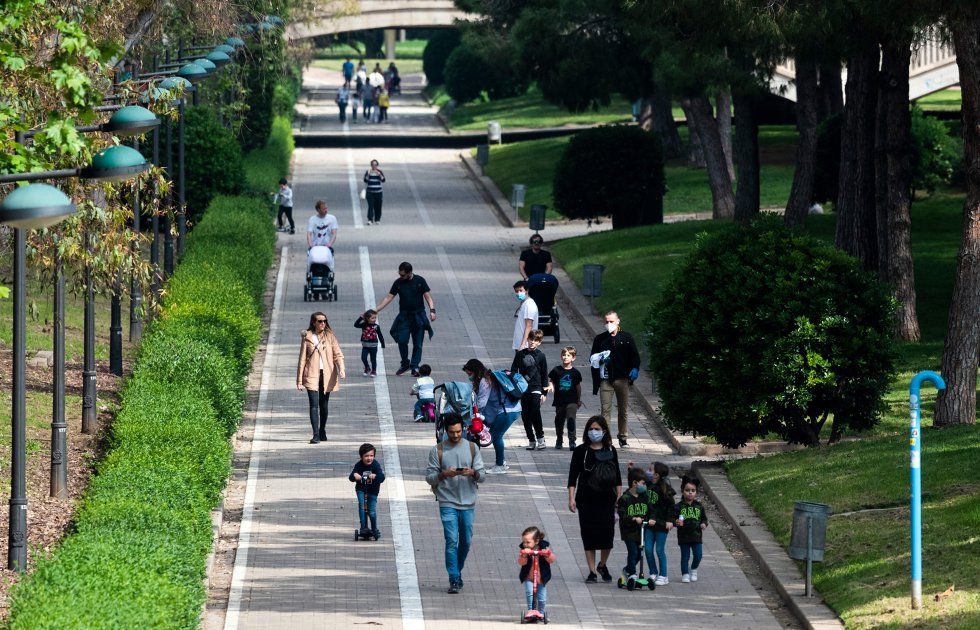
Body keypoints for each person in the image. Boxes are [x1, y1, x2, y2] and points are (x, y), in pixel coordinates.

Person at [425, 413, 485, 594]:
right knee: (451, 540)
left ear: (464, 429)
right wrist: (444, 474)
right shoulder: (438, 451)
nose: (456, 435)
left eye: (459, 432)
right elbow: (429, 478)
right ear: (445, 431)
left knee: (465, 541)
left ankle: (457, 570)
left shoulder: (473, 448)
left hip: (468, 502)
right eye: (452, 432)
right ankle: (454, 578)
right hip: (447, 501)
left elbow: (482, 477)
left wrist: (473, 473)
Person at [567, 415, 621, 583]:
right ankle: (592, 571)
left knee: (607, 536)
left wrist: (619, 497)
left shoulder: (611, 450)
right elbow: (572, 477)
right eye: (591, 429)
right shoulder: (581, 451)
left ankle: (602, 565)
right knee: (588, 535)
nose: (593, 432)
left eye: (597, 429)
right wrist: (571, 498)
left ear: (604, 431)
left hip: (607, 500)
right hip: (586, 500)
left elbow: (617, 477)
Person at [374, 262, 435, 377]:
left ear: (409, 273)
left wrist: (432, 310)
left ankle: (415, 366)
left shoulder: (420, 281)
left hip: (418, 316)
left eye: (402, 275)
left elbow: (428, 296)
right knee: (402, 340)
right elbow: (389, 297)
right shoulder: (398, 283)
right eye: (399, 274)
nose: (400, 277)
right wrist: (376, 310)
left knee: (418, 344)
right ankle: (405, 363)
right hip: (404, 317)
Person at [589, 311, 641, 447]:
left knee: (622, 409)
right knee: (605, 410)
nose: (609, 324)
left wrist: (635, 368)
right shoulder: (600, 339)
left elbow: (635, 356)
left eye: (611, 321)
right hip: (606, 379)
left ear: (618, 321)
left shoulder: (627, 337)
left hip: (622, 379)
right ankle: (606, 438)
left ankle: (623, 437)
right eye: (606, 322)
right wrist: (601, 359)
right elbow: (592, 358)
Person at [465, 358, 520, 474]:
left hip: (507, 411)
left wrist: (472, 414)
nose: (468, 376)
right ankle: (499, 462)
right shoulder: (485, 378)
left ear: (476, 371)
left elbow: (481, 403)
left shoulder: (485, 381)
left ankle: (500, 465)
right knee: (488, 434)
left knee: (496, 436)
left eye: (470, 373)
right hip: (509, 409)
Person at [296, 312, 345, 443]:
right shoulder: (307, 337)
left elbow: (338, 354)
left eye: (324, 321)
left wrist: (342, 369)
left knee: (324, 405)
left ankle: (322, 429)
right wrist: (299, 380)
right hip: (311, 374)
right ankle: (316, 434)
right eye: (320, 321)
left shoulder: (330, 336)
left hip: (327, 374)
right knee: (313, 405)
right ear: (313, 322)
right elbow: (302, 359)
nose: (323, 323)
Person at [616, 467, 656, 590]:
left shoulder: (645, 497)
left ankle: (627, 570)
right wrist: (633, 518)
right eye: (643, 483)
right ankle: (632, 574)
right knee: (633, 552)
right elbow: (622, 514)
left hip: (642, 531)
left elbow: (651, 510)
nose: (644, 486)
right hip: (629, 531)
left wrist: (652, 519)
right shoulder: (625, 498)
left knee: (639, 554)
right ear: (634, 483)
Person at [511, 329, 550, 451]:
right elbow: (513, 370)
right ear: (527, 339)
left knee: (535, 412)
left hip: (536, 388)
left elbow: (544, 374)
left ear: (539, 342)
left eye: (535, 340)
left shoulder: (541, 356)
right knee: (525, 415)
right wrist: (515, 383)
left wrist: (544, 392)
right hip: (523, 389)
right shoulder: (520, 354)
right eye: (531, 339)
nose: (532, 342)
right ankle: (531, 440)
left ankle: (541, 438)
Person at [645, 461, 676, 585]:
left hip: (662, 524)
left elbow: (672, 507)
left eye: (650, 470)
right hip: (649, 523)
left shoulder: (665, 489)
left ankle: (663, 575)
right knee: (647, 549)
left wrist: (670, 521)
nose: (648, 472)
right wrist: (631, 471)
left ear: (657, 474)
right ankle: (653, 572)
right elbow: (636, 483)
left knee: (659, 550)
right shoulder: (647, 485)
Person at [675, 475, 708, 583]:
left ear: (696, 492)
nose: (690, 493)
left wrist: (703, 524)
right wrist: (676, 522)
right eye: (687, 490)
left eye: (693, 490)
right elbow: (673, 518)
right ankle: (685, 573)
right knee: (685, 556)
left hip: (696, 535)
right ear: (682, 491)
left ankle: (693, 569)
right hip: (683, 536)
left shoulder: (699, 506)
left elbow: (704, 519)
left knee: (698, 555)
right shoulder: (679, 506)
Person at [549, 346, 583, 450]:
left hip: (572, 401)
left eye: (568, 355)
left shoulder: (575, 373)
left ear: (573, 358)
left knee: (571, 420)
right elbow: (551, 380)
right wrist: (551, 385)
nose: (565, 357)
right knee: (559, 420)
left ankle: (572, 440)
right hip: (559, 401)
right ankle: (559, 439)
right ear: (561, 356)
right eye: (564, 355)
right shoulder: (556, 370)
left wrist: (578, 399)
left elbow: (578, 386)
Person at [349, 442, 385, 540]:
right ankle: (363, 527)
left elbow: (382, 477)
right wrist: (355, 476)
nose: (369, 458)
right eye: (366, 456)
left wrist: (376, 476)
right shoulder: (359, 465)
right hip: (361, 489)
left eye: (371, 456)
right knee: (362, 506)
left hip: (373, 491)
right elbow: (351, 477)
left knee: (371, 511)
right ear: (361, 457)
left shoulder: (375, 465)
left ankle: (374, 528)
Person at [517, 526, 555, 618]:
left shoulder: (544, 547)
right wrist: (524, 555)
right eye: (524, 542)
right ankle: (531, 610)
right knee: (529, 592)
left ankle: (541, 613)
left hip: (541, 578)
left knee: (542, 598)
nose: (525, 544)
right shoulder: (524, 550)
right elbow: (521, 563)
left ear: (536, 541)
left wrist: (547, 554)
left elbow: (552, 560)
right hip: (529, 577)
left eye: (528, 542)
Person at [307, 200, 338, 273]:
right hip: (316, 246)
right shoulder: (312, 219)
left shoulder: (332, 218)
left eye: (326, 208)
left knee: (328, 264)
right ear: (318, 210)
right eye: (323, 209)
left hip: (326, 246)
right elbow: (309, 233)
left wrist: (329, 244)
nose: (326, 210)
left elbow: (334, 234)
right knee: (312, 263)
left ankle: (330, 274)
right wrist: (311, 245)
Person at [354, 309, 386, 377]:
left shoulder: (376, 326)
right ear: (367, 318)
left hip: (373, 346)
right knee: (363, 358)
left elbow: (380, 335)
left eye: (375, 318)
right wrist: (360, 318)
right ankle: (367, 367)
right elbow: (356, 325)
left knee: (373, 359)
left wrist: (383, 343)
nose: (374, 319)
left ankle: (374, 371)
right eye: (372, 318)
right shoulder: (364, 325)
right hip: (365, 346)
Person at [512, 280, 539, 353]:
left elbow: (529, 326)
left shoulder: (529, 305)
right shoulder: (524, 303)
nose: (518, 293)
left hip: (526, 346)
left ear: (526, 290)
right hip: (520, 345)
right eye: (516, 291)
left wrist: (523, 344)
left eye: (521, 290)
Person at [363, 159, 385, 225]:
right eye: (372, 164)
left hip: (378, 192)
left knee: (378, 206)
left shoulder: (379, 171)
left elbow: (383, 180)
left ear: (377, 165)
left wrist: (379, 175)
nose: (374, 166)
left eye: (375, 165)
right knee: (370, 206)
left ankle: (377, 219)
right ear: (371, 165)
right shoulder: (368, 171)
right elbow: (365, 180)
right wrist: (368, 175)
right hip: (370, 192)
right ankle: (370, 219)